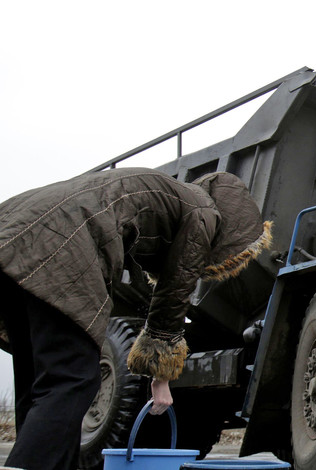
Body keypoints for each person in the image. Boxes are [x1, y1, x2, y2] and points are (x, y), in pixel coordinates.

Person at [0, 168, 272, 470]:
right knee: (73, 378)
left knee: (38, 381)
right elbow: (173, 295)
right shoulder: (204, 212)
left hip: (15, 229)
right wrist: (160, 378)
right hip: (62, 244)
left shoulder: (171, 194)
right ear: (234, 223)